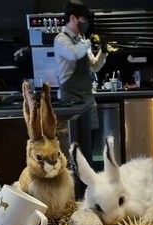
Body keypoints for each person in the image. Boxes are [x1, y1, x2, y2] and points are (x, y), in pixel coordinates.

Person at [54, 0, 107, 165]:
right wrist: (88, 41)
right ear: (72, 18)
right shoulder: (61, 39)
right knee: (74, 148)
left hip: (87, 98)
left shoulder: (82, 41)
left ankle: (88, 178)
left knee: (89, 144)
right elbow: (74, 54)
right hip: (70, 99)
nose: (85, 24)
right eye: (83, 20)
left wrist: (103, 52)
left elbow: (94, 67)